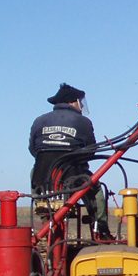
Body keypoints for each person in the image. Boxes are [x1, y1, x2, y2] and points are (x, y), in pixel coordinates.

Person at [29, 83, 112, 240]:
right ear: (72, 102)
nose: (81, 105)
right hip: (74, 176)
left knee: (34, 173)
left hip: (44, 176)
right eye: (80, 102)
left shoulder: (39, 120)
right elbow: (91, 149)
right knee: (97, 192)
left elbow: (33, 149)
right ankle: (100, 228)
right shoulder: (82, 122)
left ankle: (42, 212)